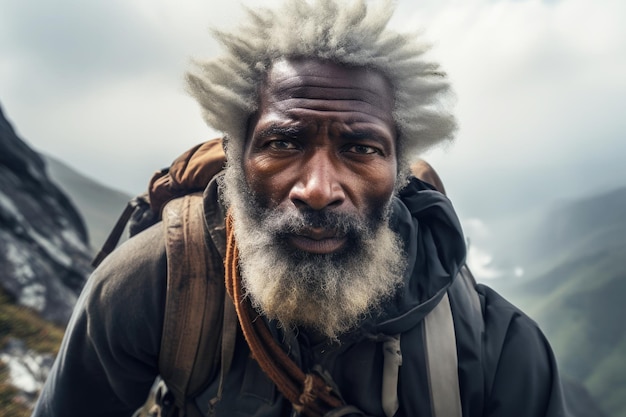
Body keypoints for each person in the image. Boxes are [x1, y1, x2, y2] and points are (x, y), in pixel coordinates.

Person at [32, 1, 568, 416]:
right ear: (238, 156)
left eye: (361, 149)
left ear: (399, 172)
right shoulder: (152, 284)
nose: (317, 188)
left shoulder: (498, 348)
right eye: (283, 144)